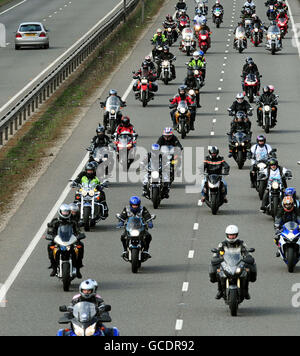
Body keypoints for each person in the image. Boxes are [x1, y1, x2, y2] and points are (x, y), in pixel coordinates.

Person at [209, 225, 257, 300]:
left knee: (248, 270)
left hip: (238, 263)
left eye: (233, 235)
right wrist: (216, 258)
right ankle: (220, 291)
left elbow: (247, 253)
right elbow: (216, 254)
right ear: (227, 235)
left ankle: (246, 291)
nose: (231, 237)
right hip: (226, 263)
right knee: (218, 271)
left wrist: (248, 256)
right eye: (230, 235)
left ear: (237, 235)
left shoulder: (242, 243)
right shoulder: (222, 244)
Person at [46, 204, 83, 278]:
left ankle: (78, 269)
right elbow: (50, 230)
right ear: (60, 212)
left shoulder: (73, 222)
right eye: (64, 212)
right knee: (50, 246)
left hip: (70, 241)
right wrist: (50, 235)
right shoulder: (55, 221)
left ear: (69, 212)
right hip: (58, 241)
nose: (65, 213)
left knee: (80, 245)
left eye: (67, 212)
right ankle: (53, 267)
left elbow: (78, 231)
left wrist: (79, 235)